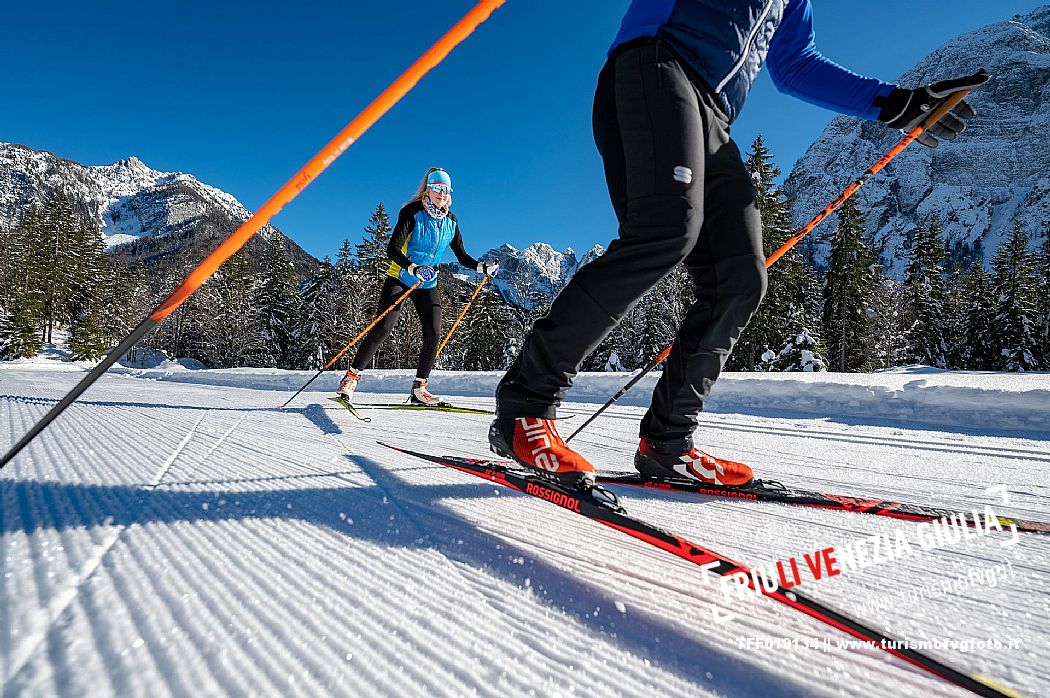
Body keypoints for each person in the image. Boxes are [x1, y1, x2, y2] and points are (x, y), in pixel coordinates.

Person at [490, 0, 989, 490]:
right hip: (655, 66)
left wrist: (896, 103)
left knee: (741, 277)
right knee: (664, 232)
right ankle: (525, 408)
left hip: (713, 114)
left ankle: (668, 444)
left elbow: (794, 64)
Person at [337, 168, 499, 405]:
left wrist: (481, 267)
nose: (442, 194)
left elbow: (462, 256)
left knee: (433, 333)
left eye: (446, 190)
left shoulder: (451, 222)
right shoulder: (412, 213)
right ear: (428, 189)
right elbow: (392, 248)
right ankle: (350, 378)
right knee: (383, 327)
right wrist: (413, 268)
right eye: (437, 188)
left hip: (427, 283)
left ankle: (419, 388)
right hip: (401, 277)